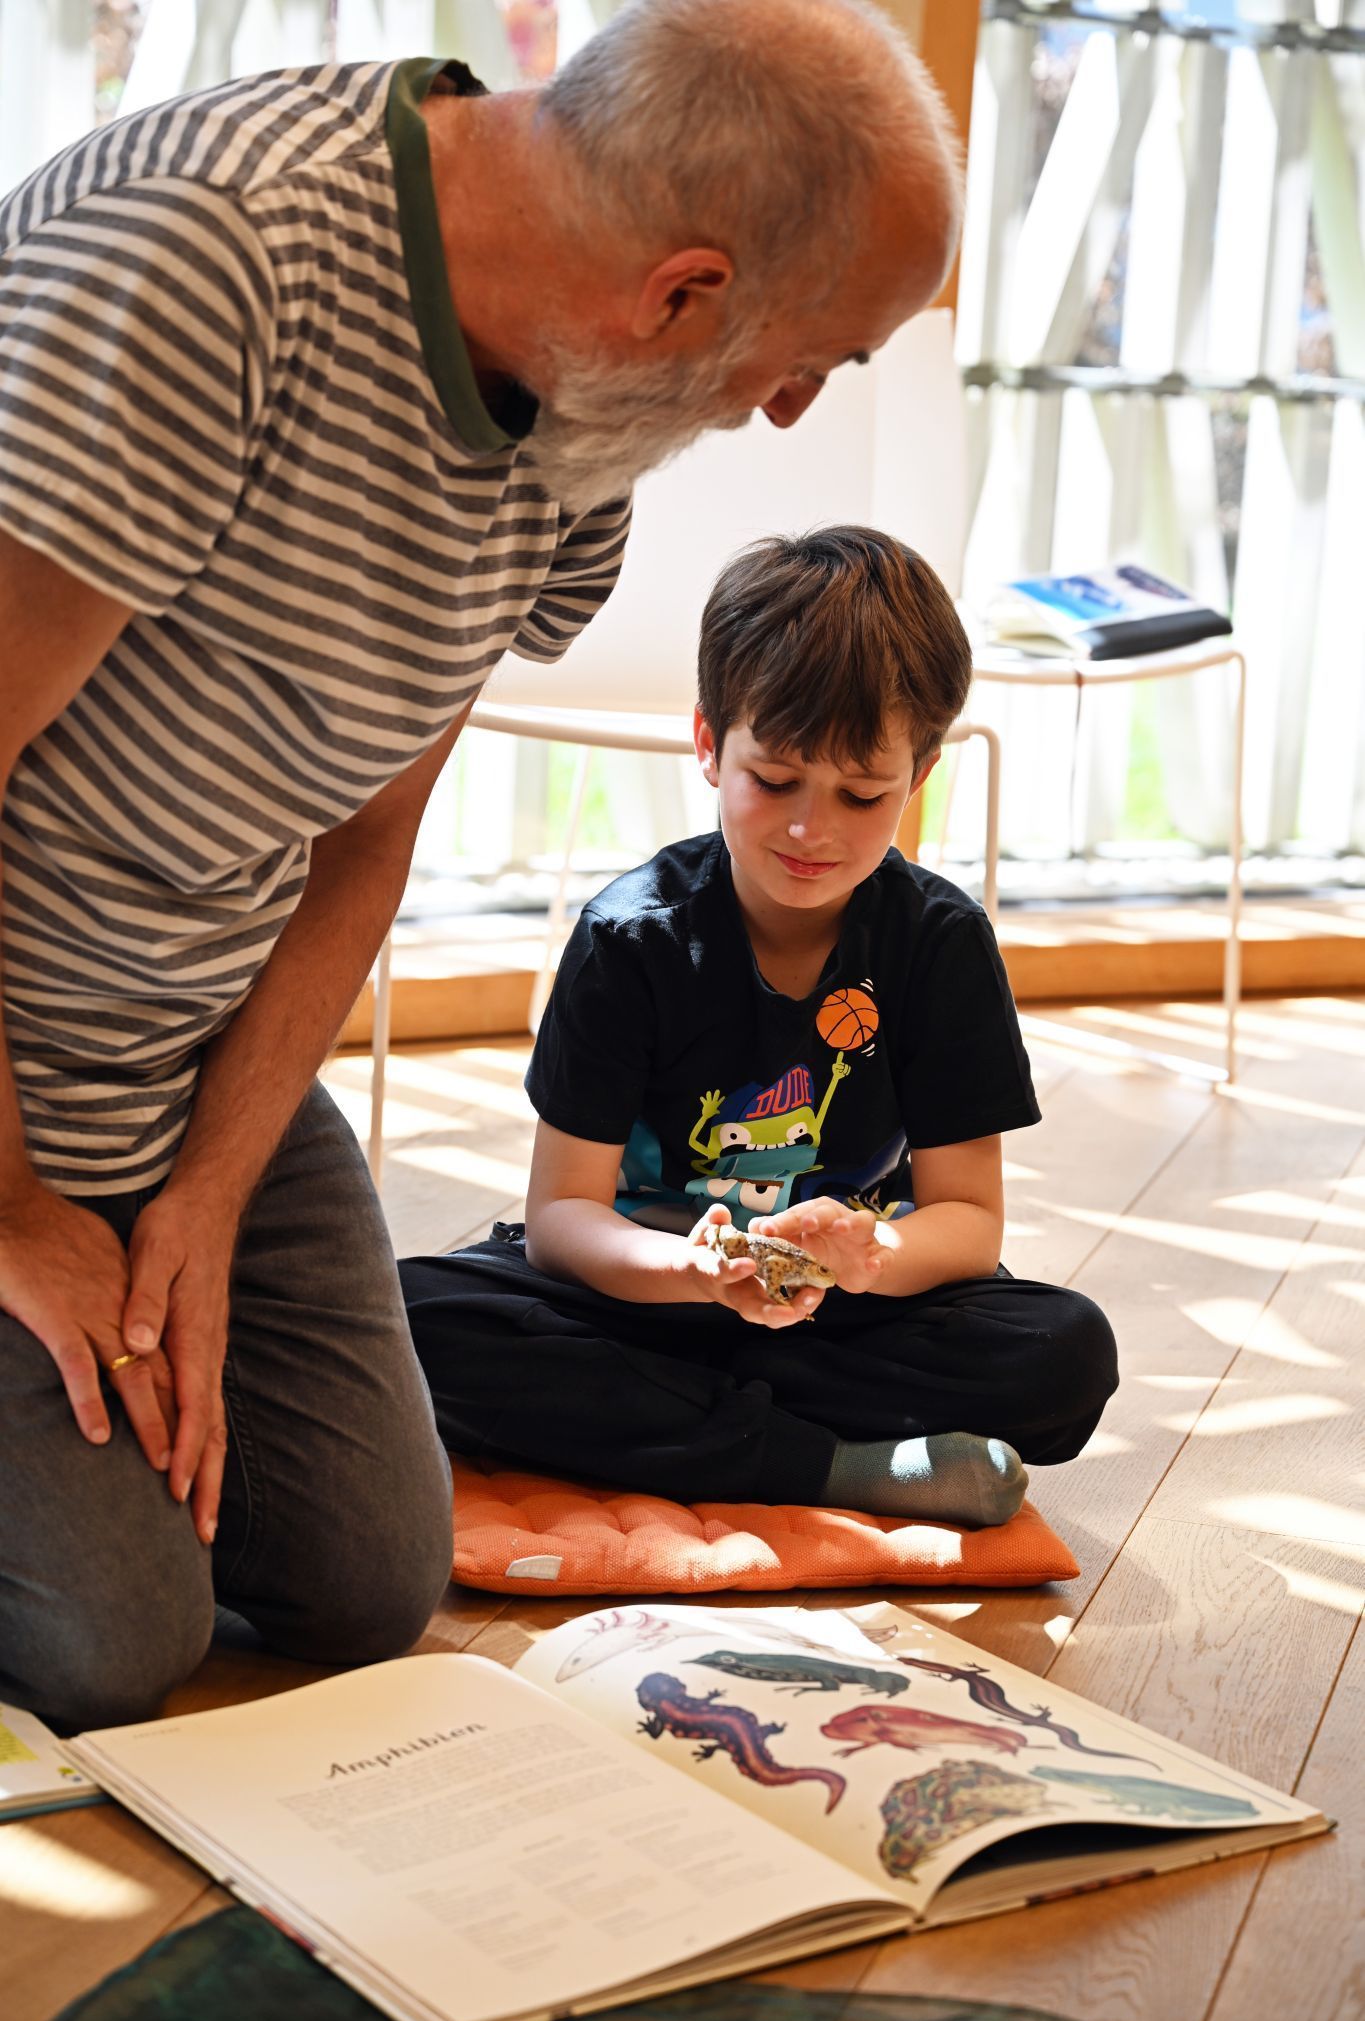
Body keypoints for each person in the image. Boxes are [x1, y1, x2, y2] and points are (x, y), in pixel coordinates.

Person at [0, 1, 964, 1726]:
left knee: (363, 1579)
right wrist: (17, 1209)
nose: (782, 408)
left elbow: (368, 830)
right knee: (113, 1644)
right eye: (805, 358)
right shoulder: (211, 264)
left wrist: (208, 1189)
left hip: (188, 1038)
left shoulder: (582, 418)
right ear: (681, 292)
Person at [402, 528, 1118, 1526]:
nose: (808, 829)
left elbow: (968, 1220)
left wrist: (871, 1252)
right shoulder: (632, 938)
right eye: (774, 779)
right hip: (648, 1299)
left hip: (846, 1318)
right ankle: (845, 1467)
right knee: (413, 1320)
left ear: (919, 774)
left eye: (862, 794)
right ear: (708, 741)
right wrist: (689, 1269)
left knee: (1065, 1349)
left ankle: (699, 1434)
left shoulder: (938, 942)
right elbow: (565, 1217)